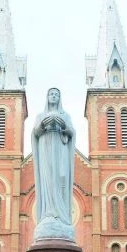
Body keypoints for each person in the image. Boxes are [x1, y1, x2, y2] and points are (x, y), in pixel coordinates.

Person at [31, 87, 75, 241]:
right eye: (51, 94)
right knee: (48, 180)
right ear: (47, 97)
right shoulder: (40, 115)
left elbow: (71, 132)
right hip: (46, 150)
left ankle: (62, 217)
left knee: (62, 177)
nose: (54, 96)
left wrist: (64, 126)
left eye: (57, 94)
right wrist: (43, 124)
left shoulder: (65, 115)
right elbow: (35, 132)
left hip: (61, 149)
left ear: (60, 98)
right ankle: (48, 213)